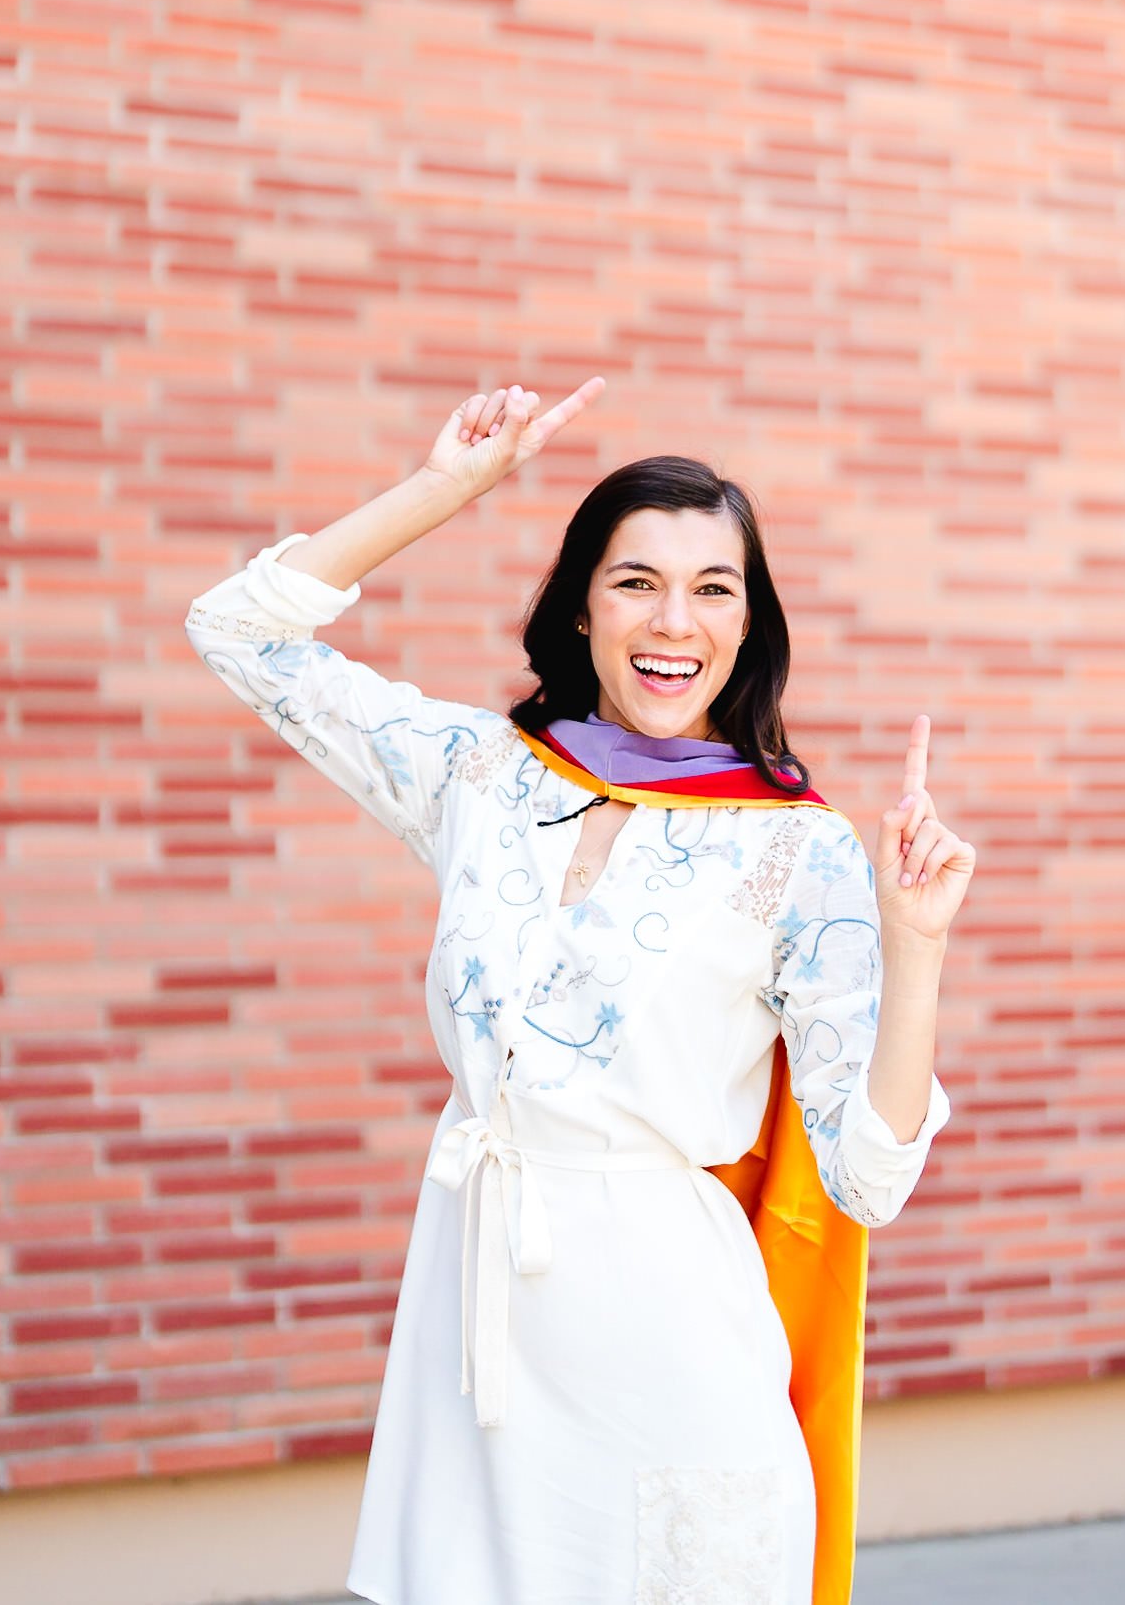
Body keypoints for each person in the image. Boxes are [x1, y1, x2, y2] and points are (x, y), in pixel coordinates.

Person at [185, 380, 974, 1605]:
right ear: (581, 607)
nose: (676, 620)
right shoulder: (482, 778)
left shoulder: (794, 849)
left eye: (715, 587)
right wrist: (444, 487)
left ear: (749, 621)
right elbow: (238, 632)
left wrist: (914, 946)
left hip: (670, 1350)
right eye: (636, 580)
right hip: (478, 1337)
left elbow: (867, 1176)